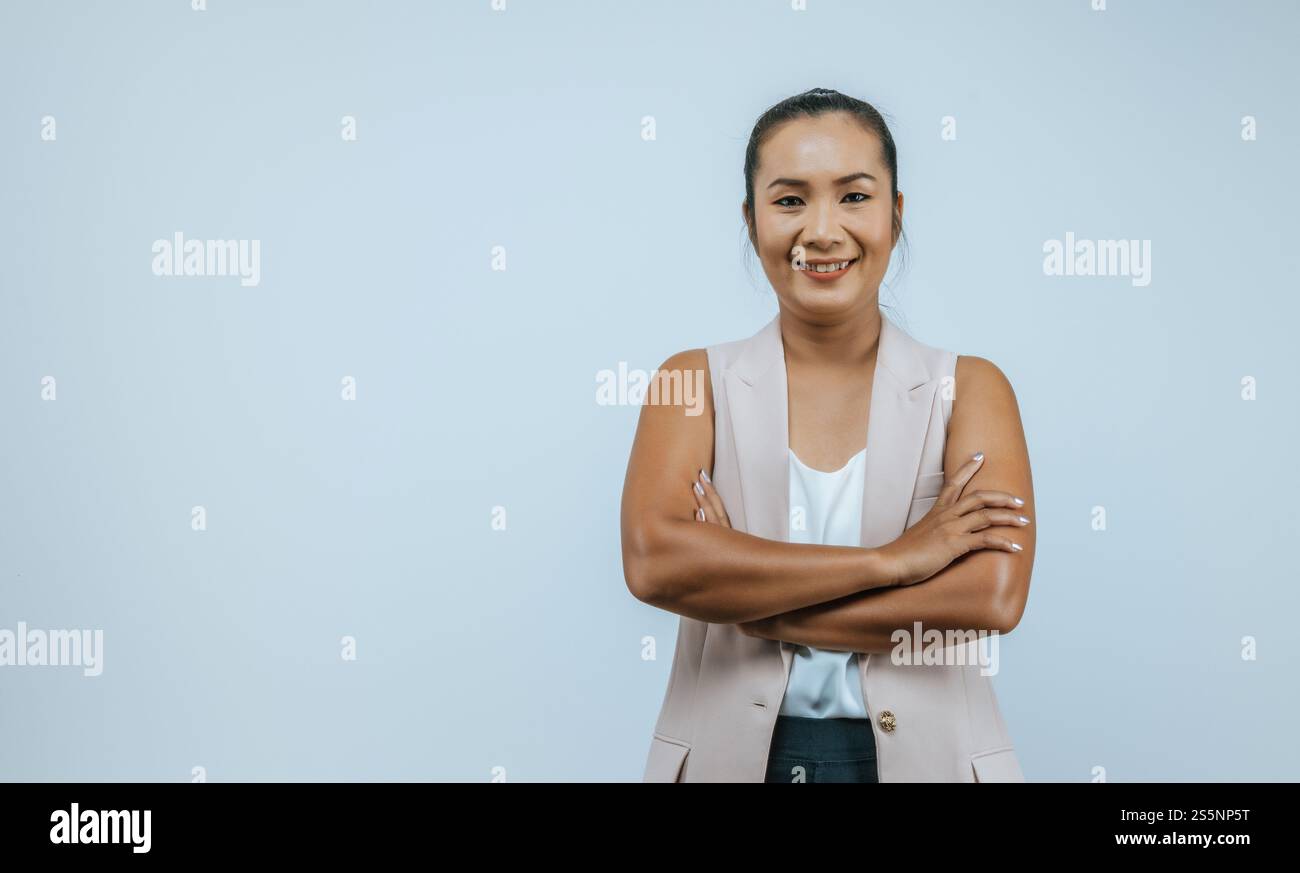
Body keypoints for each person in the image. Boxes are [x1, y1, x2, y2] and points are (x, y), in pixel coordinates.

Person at [621, 88, 1035, 782]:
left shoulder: (972, 387)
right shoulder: (688, 380)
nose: (821, 231)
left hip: (926, 760)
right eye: (789, 201)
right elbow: (655, 563)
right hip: (732, 759)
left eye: (853, 196)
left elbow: (987, 598)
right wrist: (898, 561)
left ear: (895, 214)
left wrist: (752, 607)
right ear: (750, 221)